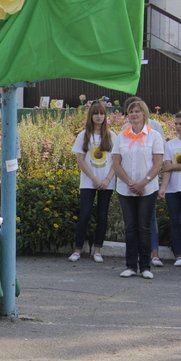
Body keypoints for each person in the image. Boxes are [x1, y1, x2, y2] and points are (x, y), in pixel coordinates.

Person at [112, 99, 164, 279]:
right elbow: (116, 163)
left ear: (144, 114)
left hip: (147, 189)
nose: (134, 114)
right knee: (130, 227)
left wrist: (143, 183)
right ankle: (131, 266)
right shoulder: (121, 136)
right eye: (131, 111)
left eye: (137, 111)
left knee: (144, 227)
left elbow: (158, 163)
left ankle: (145, 267)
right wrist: (130, 183)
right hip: (125, 189)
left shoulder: (154, 136)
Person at [69, 101, 117, 263]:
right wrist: (95, 179)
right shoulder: (83, 135)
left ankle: (97, 250)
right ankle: (77, 249)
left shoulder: (112, 136)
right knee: (85, 214)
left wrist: (107, 179)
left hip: (107, 182)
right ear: (91, 115)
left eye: (102, 113)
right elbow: (81, 161)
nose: (99, 116)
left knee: (102, 216)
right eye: (96, 113)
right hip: (88, 182)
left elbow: (116, 161)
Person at [158, 111, 181, 267]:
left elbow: (170, 166)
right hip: (172, 189)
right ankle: (179, 255)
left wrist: (174, 166)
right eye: (176, 124)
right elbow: (166, 169)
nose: (177, 127)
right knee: (175, 221)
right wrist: (163, 188)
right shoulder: (170, 145)